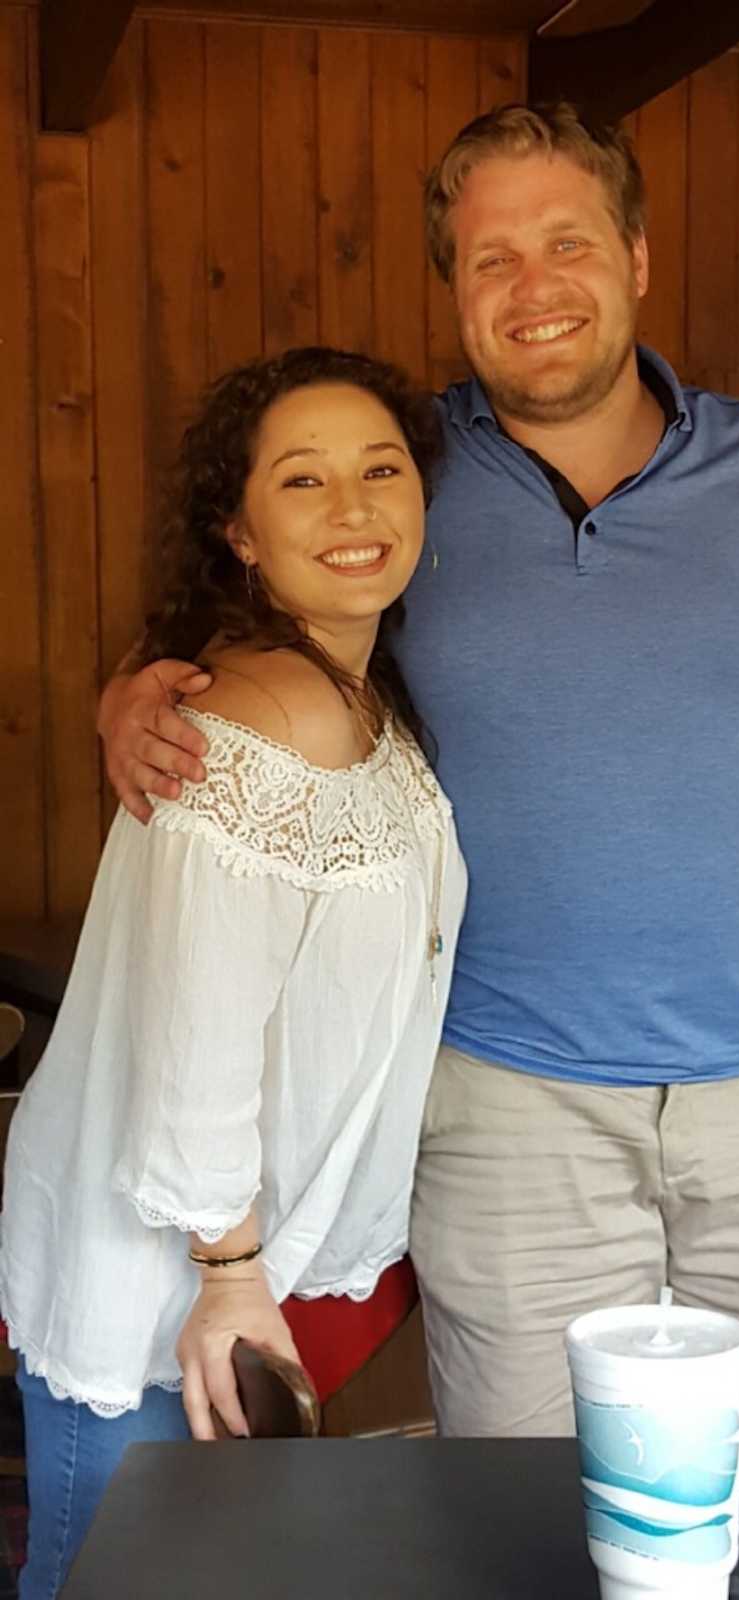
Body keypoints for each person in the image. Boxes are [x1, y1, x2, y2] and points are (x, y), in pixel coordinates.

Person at [99, 103, 739, 1442]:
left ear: (637, 258)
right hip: (502, 1105)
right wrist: (130, 692)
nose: (534, 287)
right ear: (454, 292)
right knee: (528, 1527)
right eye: (489, 259)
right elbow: (230, 647)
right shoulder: (401, 477)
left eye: (567, 242)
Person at [1, 346, 466, 1598]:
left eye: (380, 468)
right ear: (241, 530)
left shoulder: (360, 699)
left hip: (235, 1270)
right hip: (162, 1288)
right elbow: (200, 1041)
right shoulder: (263, 723)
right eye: (303, 480)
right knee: (110, 1578)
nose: (355, 507)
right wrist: (226, 1280)